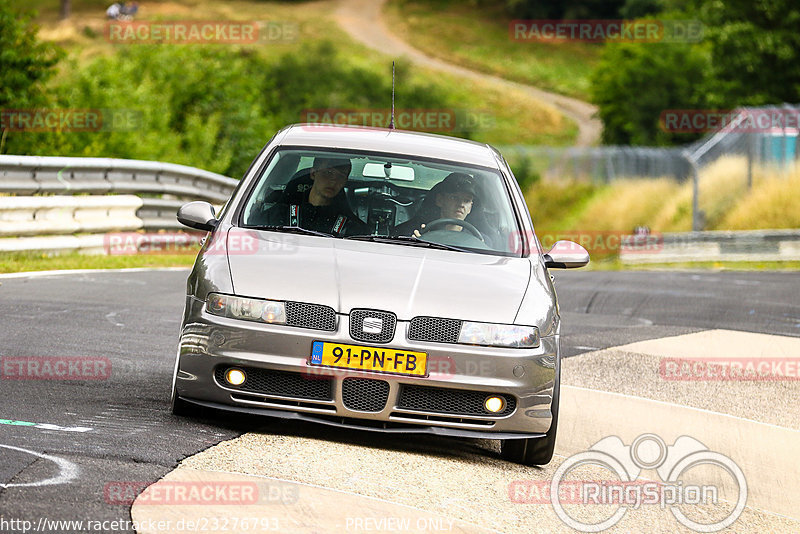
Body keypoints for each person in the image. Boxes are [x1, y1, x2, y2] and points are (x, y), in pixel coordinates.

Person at [257, 156, 367, 236]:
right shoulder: (279, 215)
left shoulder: (352, 228)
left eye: (341, 176)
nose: (333, 181)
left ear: (345, 182)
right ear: (313, 173)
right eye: (328, 173)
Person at [394, 172, 480, 237]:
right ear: (440, 200)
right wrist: (416, 245)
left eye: (466, 200)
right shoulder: (415, 232)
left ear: (470, 208)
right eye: (454, 198)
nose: (461, 204)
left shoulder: (479, 240)